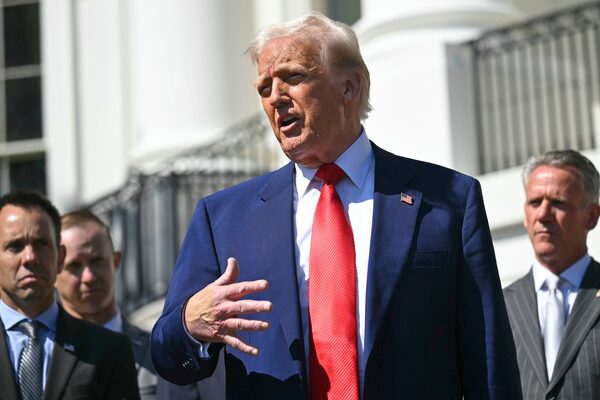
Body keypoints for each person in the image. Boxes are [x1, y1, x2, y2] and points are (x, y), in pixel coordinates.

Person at [151, 11, 521, 399]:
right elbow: (167, 357)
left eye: (293, 76)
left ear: (349, 87)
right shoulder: (223, 218)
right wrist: (189, 323)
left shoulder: (448, 200)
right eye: (264, 88)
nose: (275, 97)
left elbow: (489, 361)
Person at [55, 210, 225, 400]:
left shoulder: (162, 352)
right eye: (74, 266)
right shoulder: (43, 359)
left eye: (97, 261)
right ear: (53, 270)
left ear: (116, 261)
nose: (89, 277)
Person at [0, 191, 139, 399]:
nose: (30, 257)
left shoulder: (109, 350)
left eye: (41, 244)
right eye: (15, 246)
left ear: (60, 257)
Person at [504, 150, 600, 399]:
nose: (543, 215)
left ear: (591, 216)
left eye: (558, 203)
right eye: (535, 202)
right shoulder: (498, 306)